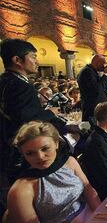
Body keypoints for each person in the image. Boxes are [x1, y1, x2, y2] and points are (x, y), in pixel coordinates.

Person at [5, 121, 100, 223]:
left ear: (56, 143)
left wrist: (99, 214)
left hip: (90, 218)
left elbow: (88, 190)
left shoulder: (70, 162)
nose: (40, 157)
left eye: (45, 148)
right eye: (30, 153)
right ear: (23, 154)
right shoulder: (20, 190)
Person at [0, 39, 63, 182]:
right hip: (22, 150)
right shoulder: (21, 86)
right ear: (17, 60)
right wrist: (50, 113)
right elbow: (26, 121)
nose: (37, 61)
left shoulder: (4, 80)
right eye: (33, 56)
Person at [77, 54, 107, 123]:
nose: (105, 66)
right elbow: (97, 90)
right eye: (104, 63)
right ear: (97, 63)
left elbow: (103, 88)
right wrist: (106, 75)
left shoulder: (92, 71)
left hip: (97, 109)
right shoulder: (87, 72)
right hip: (92, 110)